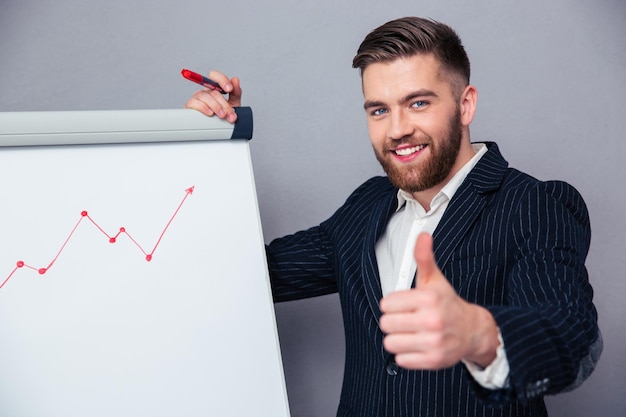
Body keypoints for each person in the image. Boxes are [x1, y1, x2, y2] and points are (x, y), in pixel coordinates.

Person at [185, 16, 601, 417]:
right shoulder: (366, 205)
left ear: (465, 104)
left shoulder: (535, 204)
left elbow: (570, 333)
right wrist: (215, 148)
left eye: (417, 103)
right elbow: (252, 274)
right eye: (379, 110)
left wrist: (479, 332)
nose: (397, 129)